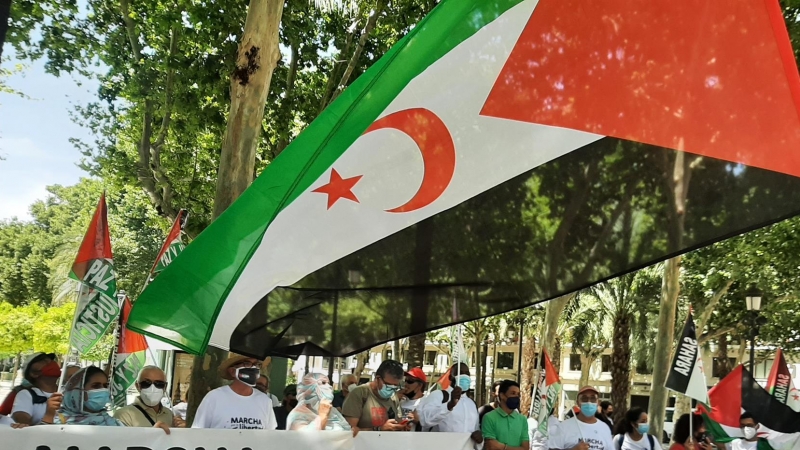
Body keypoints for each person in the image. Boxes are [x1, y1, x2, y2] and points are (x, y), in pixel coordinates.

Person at [58, 366, 169, 433]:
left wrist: (153, 434)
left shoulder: (113, 423)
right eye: (96, 386)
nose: (102, 390)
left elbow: (131, 443)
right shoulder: (58, 422)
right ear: (79, 390)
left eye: (105, 386)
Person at [192, 354, 277, 430]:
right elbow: (197, 433)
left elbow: (269, 437)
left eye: (256, 364)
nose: (253, 368)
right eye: (247, 363)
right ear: (232, 371)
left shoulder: (264, 401)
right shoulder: (214, 398)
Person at [416, 363, 482, 443]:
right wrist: (449, 405)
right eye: (460, 373)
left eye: (467, 374)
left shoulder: (472, 403)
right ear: (450, 377)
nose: (464, 376)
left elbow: (475, 430)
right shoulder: (438, 395)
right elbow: (425, 421)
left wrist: (479, 438)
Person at [342, 359, 410, 434]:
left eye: (395, 387)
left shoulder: (393, 397)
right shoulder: (359, 394)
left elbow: (398, 422)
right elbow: (349, 432)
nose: (391, 389)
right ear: (378, 379)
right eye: (388, 385)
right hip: (364, 445)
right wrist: (379, 429)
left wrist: (401, 427)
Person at [547, 385, 613, 450]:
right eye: (584, 399)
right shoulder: (563, 427)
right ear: (578, 403)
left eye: (593, 399)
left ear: (598, 402)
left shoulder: (604, 428)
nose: (589, 402)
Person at [11, 353, 63, 425]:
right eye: (43, 361)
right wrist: (49, 414)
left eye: (51, 361)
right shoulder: (26, 395)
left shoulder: (70, 392)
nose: (50, 363)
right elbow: (23, 423)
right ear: (33, 374)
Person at [287, 373, 351, 431]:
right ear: (309, 388)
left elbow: (347, 430)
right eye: (323, 383)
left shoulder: (333, 411)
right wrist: (322, 416)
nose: (329, 387)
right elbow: (305, 438)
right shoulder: (297, 415)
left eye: (328, 383)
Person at [482, 379, 529, 450]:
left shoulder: (522, 419)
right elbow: (491, 446)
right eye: (513, 393)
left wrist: (502, 447)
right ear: (502, 395)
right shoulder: (489, 417)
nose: (516, 397)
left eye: (518, 394)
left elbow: (525, 448)